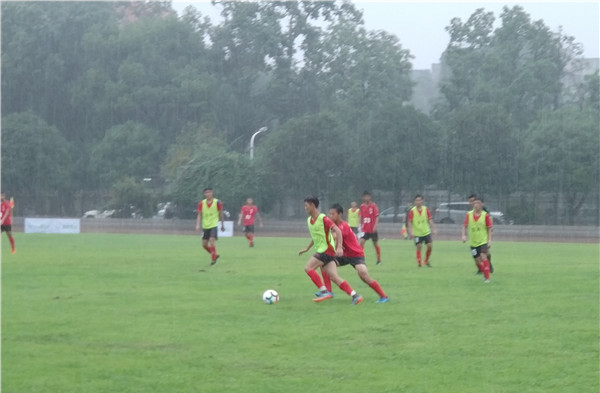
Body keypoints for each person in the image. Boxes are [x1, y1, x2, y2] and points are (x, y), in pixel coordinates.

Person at [298, 196, 363, 305]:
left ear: (313, 205)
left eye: (306, 206)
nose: (305, 208)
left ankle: (324, 291)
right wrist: (306, 248)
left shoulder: (323, 218)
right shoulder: (310, 220)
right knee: (333, 277)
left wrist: (339, 247)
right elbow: (316, 237)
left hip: (326, 251)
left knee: (308, 268)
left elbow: (337, 230)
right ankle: (355, 295)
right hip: (324, 251)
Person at [329, 203, 389, 303]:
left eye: (332, 214)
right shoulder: (334, 226)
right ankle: (328, 291)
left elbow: (334, 237)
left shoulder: (343, 226)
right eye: (329, 214)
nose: (330, 216)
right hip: (345, 255)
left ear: (339, 214)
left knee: (364, 276)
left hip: (356, 255)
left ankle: (384, 296)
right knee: (325, 264)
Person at [461, 197, 493, 283]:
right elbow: (464, 226)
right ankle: (485, 273)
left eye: (478, 203)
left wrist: (489, 240)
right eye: (475, 203)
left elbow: (489, 228)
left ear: (482, 204)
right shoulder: (469, 214)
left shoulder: (485, 215)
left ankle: (487, 278)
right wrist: (463, 235)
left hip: (483, 241)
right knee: (477, 261)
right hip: (473, 242)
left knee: (483, 256)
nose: (476, 205)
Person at [195, 188, 225, 265]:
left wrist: (222, 224)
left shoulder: (217, 202)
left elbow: (221, 214)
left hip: (214, 224)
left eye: (209, 192)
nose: (208, 194)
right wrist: (198, 224)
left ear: (212, 193)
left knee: (212, 240)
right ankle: (215, 255)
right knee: (204, 245)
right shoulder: (201, 203)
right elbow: (199, 215)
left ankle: (213, 260)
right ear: (204, 194)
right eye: (206, 193)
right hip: (205, 225)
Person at [406, 194, 437, 267]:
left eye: (419, 200)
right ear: (414, 201)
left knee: (430, 246)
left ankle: (426, 260)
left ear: (422, 201)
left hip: (426, 232)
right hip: (417, 233)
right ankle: (419, 263)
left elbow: (430, 219)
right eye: (417, 200)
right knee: (419, 246)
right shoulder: (412, 211)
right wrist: (411, 232)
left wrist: (434, 229)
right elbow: (409, 222)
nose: (418, 202)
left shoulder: (426, 209)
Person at [468, 194, 494, 274]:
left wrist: (490, 229)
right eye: (470, 202)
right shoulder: (471, 212)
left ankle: (489, 265)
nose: (472, 203)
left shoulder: (484, 210)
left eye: (473, 201)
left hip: (484, 232)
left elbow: (490, 219)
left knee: (485, 252)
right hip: (475, 235)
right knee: (477, 254)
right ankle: (481, 268)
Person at [359, 191, 381, 265]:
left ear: (370, 197)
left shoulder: (373, 206)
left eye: (368, 196)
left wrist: (375, 225)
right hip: (365, 229)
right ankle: (361, 260)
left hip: (372, 229)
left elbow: (377, 216)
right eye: (365, 196)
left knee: (375, 244)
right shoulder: (362, 206)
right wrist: (360, 225)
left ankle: (379, 260)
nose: (366, 198)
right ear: (363, 198)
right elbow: (361, 216)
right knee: (361, 242)